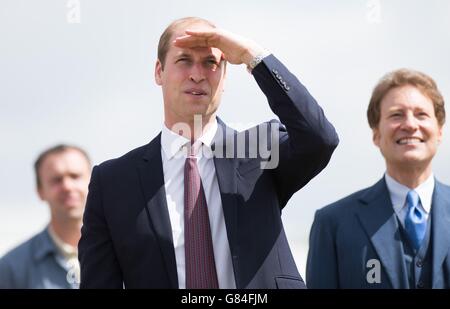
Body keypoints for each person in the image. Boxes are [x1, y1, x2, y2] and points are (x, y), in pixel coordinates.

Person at [78, 16, 339, 289]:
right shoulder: (113, 182)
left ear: (224, 77)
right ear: (159, 72)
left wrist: (253, 56)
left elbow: (320, 139)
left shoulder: (261, 150)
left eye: (210, 63)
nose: (198, 74)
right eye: (184, 60)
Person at [307, 69, 450, 289]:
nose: (410, 124)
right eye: (396, 115)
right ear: (376, 135)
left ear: (439, 131)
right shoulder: (333, 224)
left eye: (421, 114)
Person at [0, 144, 91, 288]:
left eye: (75, 176)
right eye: (56, 179)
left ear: (92, 182)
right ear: (40, 191)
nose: (67, 186)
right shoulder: (11, 268)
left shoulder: (124, 252)